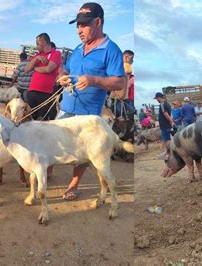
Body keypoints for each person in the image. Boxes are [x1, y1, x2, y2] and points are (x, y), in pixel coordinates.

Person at [57, 2, 126, 200]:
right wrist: (61, 76)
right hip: (66, 107)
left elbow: (120, 82)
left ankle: (73, 185)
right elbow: (66, 70)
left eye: (84, 25)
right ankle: (47, 172)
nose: (79, 30)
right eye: (78, 25)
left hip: (88, 113)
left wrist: (93, 80)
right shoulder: (78, 49)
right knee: (54, 140)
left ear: (98, 22)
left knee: (83, 151)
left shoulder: (111, 50)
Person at [24, 33, 61, 120]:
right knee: (28, 118)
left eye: (37, 43)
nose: (36, 46)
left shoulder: (55, 53)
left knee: (41, 120)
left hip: (45, 94)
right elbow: (26, 69)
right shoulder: (38, 56)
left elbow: (48, 69)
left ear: (44, 42)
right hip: (32, 92)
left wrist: (35, 68)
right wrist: (36, 59)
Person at [154, 92, 174, 159]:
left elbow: (166, 114)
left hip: (165, 124)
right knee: (166, 138)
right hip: (166, 124)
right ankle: (167, 152)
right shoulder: (167, 104)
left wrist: (171, 121)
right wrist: (171, 121)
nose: (156, 100)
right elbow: (169, 114)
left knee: (166, 139)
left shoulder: (162, 104)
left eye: (156, 98)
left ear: (159, 97)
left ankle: (168, 154)